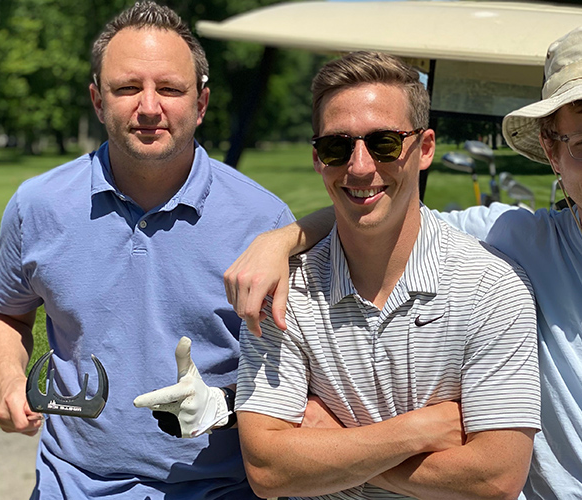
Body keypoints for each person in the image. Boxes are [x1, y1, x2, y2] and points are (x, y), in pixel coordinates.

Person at [223, 25, 582, 500]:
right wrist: (284, 239)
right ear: (553, 152)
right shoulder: (515, 239)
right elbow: (377, 207)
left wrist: (341, 452)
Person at [0, 2, 294, 498]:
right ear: (98, 102)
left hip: (218, 488)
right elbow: (3, 313)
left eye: (170, 89)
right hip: (71, 484)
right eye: (127, 88)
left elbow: (295, 376)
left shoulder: (264, 221)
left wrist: (222, 404)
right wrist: (7, 380)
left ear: (202, 104)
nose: (149, 107)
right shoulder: (38, 205)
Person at [231, 51, 539, 500]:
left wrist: (329, 445)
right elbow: (267, 469)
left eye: (384, 143)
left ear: (425, 148)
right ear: (318, 159)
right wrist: (416, 432)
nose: (359, 166)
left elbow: (496, 478)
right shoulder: (282, 293)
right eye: (336, 146)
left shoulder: (491, 288)